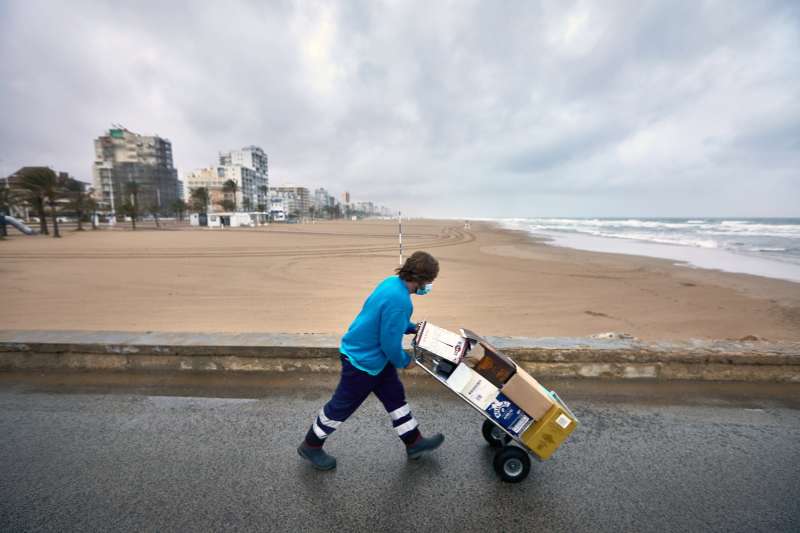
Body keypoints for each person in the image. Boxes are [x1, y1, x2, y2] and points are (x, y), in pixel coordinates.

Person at [298, 251, 444, 471]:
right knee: (341, 406)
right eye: (429, 282)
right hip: (363, 362)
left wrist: (412, 327)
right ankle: (311, 445)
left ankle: (414, 442)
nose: (429, 286)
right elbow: (389, 343)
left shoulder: (391, 283)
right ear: (421, 279)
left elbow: (385, 319)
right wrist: (405, 361)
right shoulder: (401, 301)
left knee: (395, 397)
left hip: (374, 358)